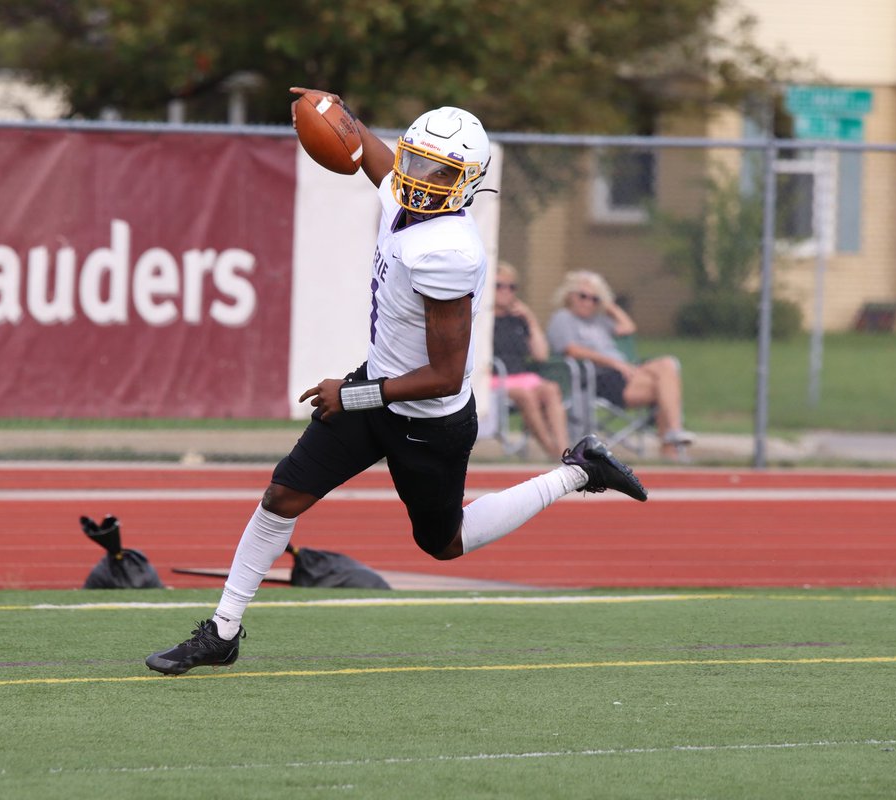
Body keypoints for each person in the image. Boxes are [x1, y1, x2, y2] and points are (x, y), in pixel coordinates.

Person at [145, 89, 648, 677]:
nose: (419, 177)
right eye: (416, 162)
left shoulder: (448, 251)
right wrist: (335, 109)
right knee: (283, 495)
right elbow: (368, 152)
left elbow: (443, 375)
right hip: (374, 389)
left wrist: (351, 393)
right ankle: (223, 631)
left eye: (440, 171)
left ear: (467, 182)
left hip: (427, 419)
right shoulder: (406, 195)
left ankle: (579, 470)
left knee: (444, 542)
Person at [546, 270, 695, 460]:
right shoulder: (563, 318)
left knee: (668, 366)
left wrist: (608, 305)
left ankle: (672, 436)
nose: (588, 302)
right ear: (569, 296)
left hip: (623, 373)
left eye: (594, 298)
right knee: (666, 385)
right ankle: (671, 443)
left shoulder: (599, 320)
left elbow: (628, 327)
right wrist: (615, 363)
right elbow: (572, 350)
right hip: (597, 378)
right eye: (583, 296)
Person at [491, 262, 569, 458]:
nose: (505, 291)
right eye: (499, 286)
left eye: (511, 287)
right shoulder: (481, 318)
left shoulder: (518, 319)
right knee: (526, 396)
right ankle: (551, 451)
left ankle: (564, 450)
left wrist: (531, 319)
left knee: (551, 390)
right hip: (493, 378)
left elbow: (541, 355)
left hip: (521, 376)